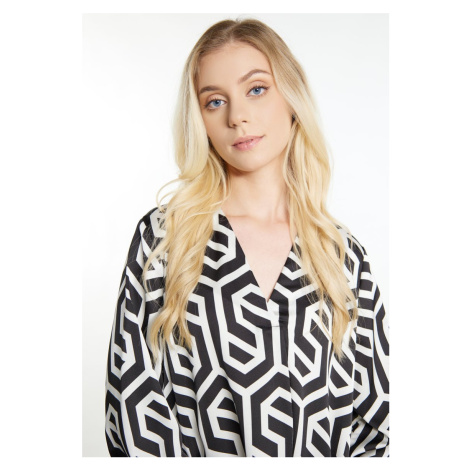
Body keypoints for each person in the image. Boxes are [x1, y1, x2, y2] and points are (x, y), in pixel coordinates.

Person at [104, 18, 389, 457]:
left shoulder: (343, 256)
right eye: (215, 101)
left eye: (256, 89)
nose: (236, 116)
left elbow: (379, 426)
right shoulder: (164, 240)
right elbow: (132, 410)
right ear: (200, 119)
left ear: (291, 97)